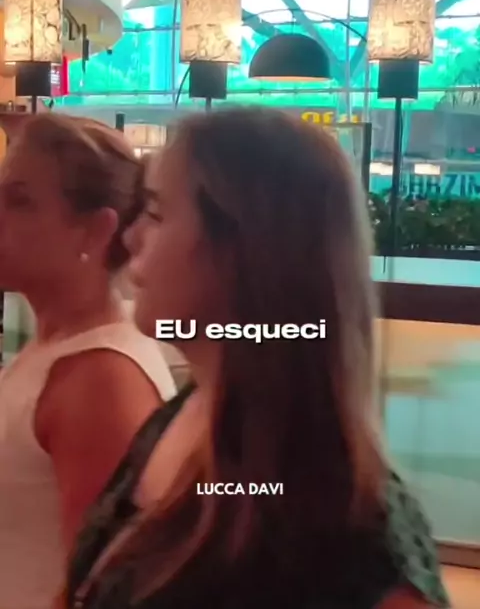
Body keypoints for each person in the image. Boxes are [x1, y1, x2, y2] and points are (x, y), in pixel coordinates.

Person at [66, 107, 450, 609]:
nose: (130, 237)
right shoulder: (180, 416)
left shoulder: (347, 524)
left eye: (156, 214)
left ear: (241, 248)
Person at [0, 113, 176, 609]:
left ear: (95, 231)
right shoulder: (56, 348)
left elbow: (98, 589)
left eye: (19, 201)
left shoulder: (100, 379)